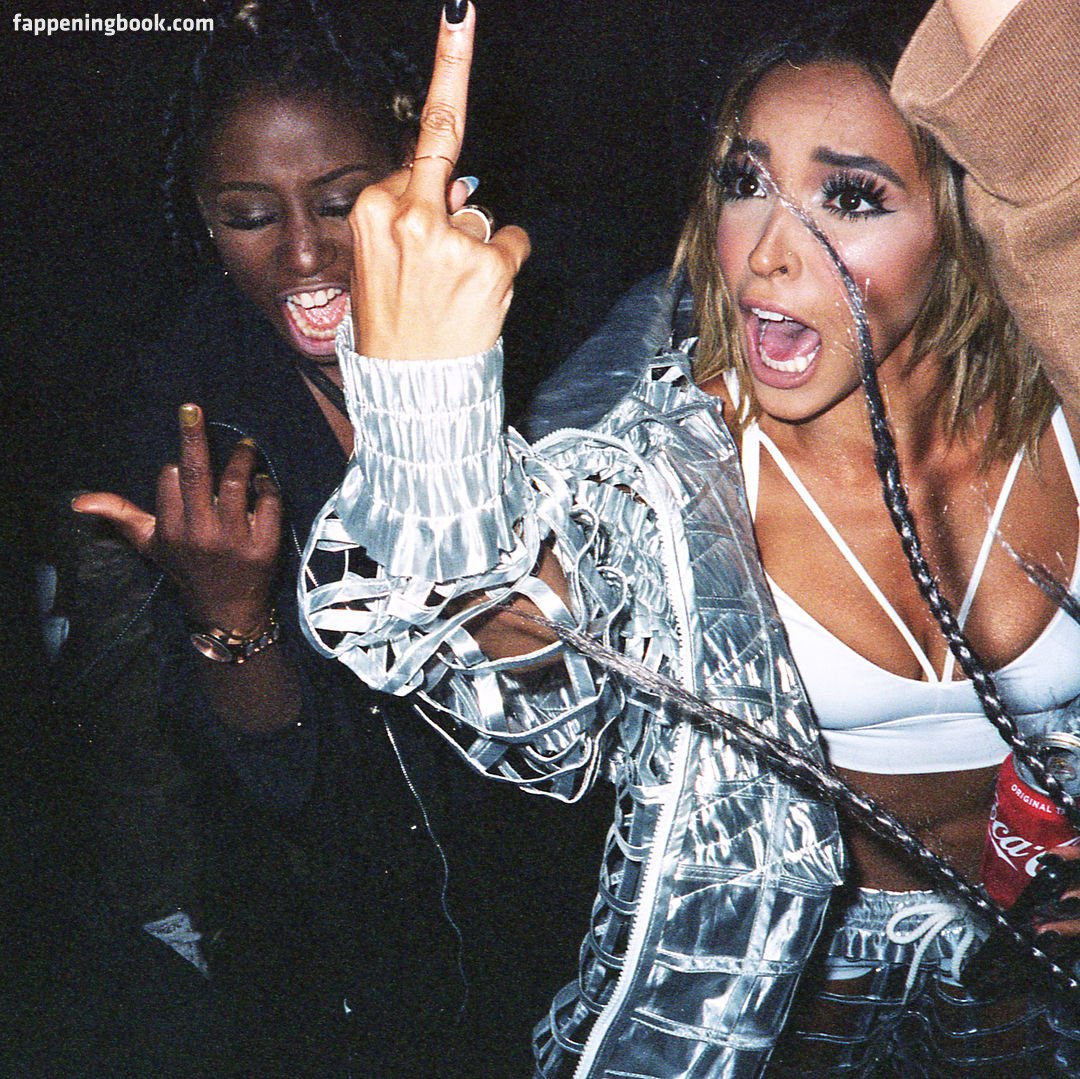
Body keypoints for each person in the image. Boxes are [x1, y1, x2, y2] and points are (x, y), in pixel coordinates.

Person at [299, 0, 1080, 1074]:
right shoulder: (674, 471)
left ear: (958, 221)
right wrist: (426, 408)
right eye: (745, 182)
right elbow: (509, 658)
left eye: (850, 196)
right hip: (787, 1001)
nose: (766, 252)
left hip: (1035, 990)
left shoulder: (1065, 414)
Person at [47, 3, 603, 1075]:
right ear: (203, 221)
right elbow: (280, 790)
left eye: (341, 201)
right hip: (355, 972)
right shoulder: (190, 418)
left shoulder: (519, 328)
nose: (302, 252)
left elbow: (576, 692)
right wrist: (232, 617)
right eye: (248, 214)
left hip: (557, 906)